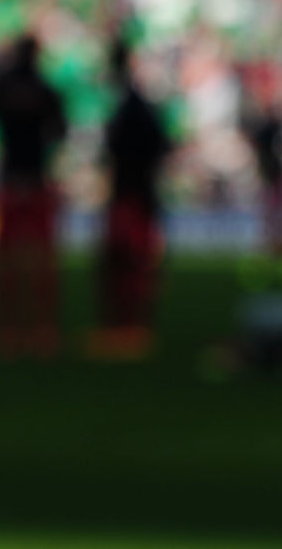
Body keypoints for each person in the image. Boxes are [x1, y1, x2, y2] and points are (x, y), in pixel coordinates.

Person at [0, 34, 68, 358]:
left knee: (7, 261)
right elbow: (60, 130)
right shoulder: (47, 91)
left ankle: (8, 330)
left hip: (10, 180)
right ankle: (42, 330)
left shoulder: (3, 86)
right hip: (36, 179)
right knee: (42, 262)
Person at [93, 39, 172, 359]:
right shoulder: (140, 107)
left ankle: (126, 326)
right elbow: (163, 147)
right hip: (141, 195)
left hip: (131, 196)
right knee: (134, 264)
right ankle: (132, 325)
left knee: (125, 263)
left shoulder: (126, 108)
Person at [241, 62, 282, 261]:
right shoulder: (269, 126)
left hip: (273, 175)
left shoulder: (272, 127)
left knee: (274, 215)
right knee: (271, 215)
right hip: (269, 175)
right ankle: (272, 248)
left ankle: (275, 248)